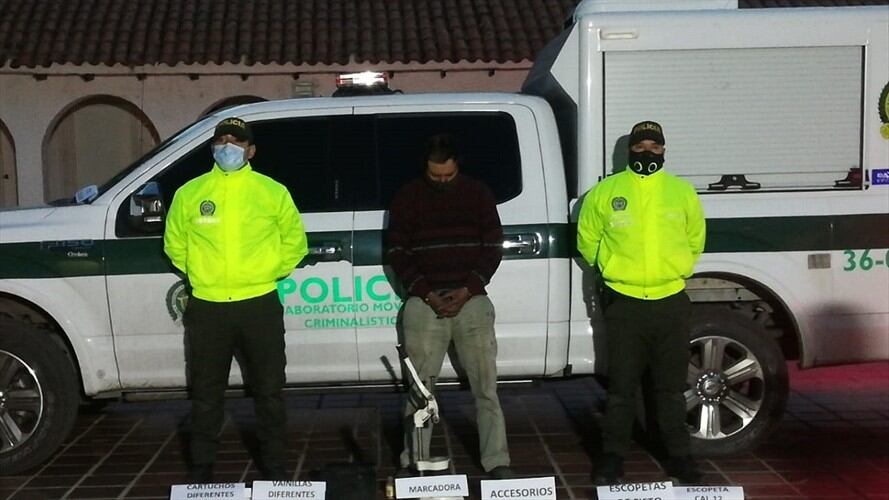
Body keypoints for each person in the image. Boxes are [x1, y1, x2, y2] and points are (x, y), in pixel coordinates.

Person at [164, 117, 308, 483]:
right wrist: (203, 274)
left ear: (251, 150)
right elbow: (175, 245)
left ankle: (275, 469)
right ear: (212, 147)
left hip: (258, 302)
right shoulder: (190, 193)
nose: (228, 147)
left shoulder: (272, 192)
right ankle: (201, 470)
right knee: (206, 393)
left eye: (237, 141)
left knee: (269, 392)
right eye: (222, 140)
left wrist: (264, 272)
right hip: (208, 307)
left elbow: (295, 243)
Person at [577, 121, 706, 485]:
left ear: (664, 150)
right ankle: (612, 458)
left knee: (670, 389)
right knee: (621, 389)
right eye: (639, 145)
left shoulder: (681, 192)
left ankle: (680, 458)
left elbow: (695, 240)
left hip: (669, 302)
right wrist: (613, 270)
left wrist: (673, 270)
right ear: (629, 150)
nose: (646, 150)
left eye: (654, 145)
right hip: (625, 304)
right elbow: (587, 241)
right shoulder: (605, 192)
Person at [387, 133, 514, 480]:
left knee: (486, 387)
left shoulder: (478, 193)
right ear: (425, 168)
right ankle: (416, 459)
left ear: (458, 166)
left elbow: (492, 246)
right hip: (424, 303)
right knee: (420, 389)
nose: (442, 180)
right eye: (435, 175)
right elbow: (397, 252)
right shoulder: (408, 196)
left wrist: (468, 288)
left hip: (471, 301)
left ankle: (497, 460)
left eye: (448, 175)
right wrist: (427, 293)